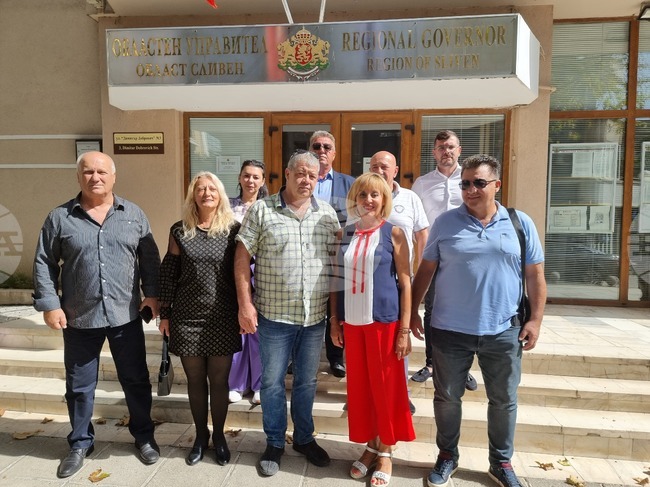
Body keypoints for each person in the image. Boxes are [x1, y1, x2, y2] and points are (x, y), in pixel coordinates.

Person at [410, 154, 547, 487]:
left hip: (504, 329)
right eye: (465, 183)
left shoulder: (520, 223)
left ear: (497, 185)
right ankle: (447, 456)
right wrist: (412, 310)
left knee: (503, 400)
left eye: (479, 183)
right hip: (448, 329)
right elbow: (425, 270)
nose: (470, 189)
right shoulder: (445, 223)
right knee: (447, 398)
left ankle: (501, 462)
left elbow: (535, 275)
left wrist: (536, 320)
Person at [32, 151, 161, 478]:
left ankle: (144, 436)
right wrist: (50, 303)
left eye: (102, 172)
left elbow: (150, 260)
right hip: (79, 317)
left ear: (113, 176)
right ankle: (79, 443)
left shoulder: (133, 215)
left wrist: (153, 295)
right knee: (79, 386)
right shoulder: (60, 218)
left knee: (136, 380)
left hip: (125, 316)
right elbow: (44, 262)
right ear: (79, 177)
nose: (95, 177)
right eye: (88, 172)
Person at [234, 150, 340, 476]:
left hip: (313, 318)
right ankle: (275, 442)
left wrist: (334, 316)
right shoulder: (262, 210)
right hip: (274, 317)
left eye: (313, 175)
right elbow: (241, 258)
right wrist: (245, 304)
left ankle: (304, 438)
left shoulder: (327, 214)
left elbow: (335, 267)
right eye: (301, 173)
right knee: (272, 383)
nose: (306, 180)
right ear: (288, 173)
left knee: (307, 382)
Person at [330, 173, 415, 487]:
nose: (368, 200)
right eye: (363, 194)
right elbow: (335, 281)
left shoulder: (394, 233)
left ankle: (386, 450)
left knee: (386, 388)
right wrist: (334, 320)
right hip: (353, 325)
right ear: (354, 198)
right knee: (362, 389)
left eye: (375, 195)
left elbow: (405, 282)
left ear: (384, 199)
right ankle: (370, 446)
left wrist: (404, 330)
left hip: (384, 323)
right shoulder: (345, 234)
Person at [158, 172, 241, 467]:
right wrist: (165, 314)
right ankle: (200, 436)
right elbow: (169, 273)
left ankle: (219, 436)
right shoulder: (180, 230)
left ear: (220, 194)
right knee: (195, 380)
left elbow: (243, 272)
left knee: (219, 381)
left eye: (212, 188)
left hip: (223, 315)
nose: (207, 193)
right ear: (193, 195)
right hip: (187, 316)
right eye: (200, 189)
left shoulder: (233, 230)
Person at [411, 130, 477, 392]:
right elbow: (416, 223)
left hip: (465, 258)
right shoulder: (422, 184)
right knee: (432, 311)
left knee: (465, 311)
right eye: (441, 147)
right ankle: (431, 364)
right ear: (434, 152)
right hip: (433, 259)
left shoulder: (471, 180)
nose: (446, 151)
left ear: (459, 150)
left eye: (450, 147)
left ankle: (463, 368)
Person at [369, 150, 429, 416]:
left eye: (384, 167)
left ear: (395, 171)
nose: (379, 170)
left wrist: (420, 274)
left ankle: (401, 394)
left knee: (399, 339)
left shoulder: (410, 198)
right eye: (374, 166)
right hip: (368, 283)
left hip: (400, 280)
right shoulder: (364, 197)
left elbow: (422, 236)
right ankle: (367, 394)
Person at [311, 130, 355, 378]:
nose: (321, 151)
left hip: (338, 257)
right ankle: (297, 357)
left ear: (334, 153)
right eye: (316, 146)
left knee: (336, 307)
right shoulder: (300, 181)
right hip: (307, 257)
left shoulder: (350, 184)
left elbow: (357, 219)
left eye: (327, 147)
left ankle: (336, 358)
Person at [228, 160, 268, 405]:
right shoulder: (227, 207)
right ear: (240, 178)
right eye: (246, 175)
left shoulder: (269, 207)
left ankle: (260, 384)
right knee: (240, 328)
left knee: (259, 331)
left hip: (263, 273)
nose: (250, 181)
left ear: (263, 181)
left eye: (255, 177)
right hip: (236, 272)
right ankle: (237, 384)